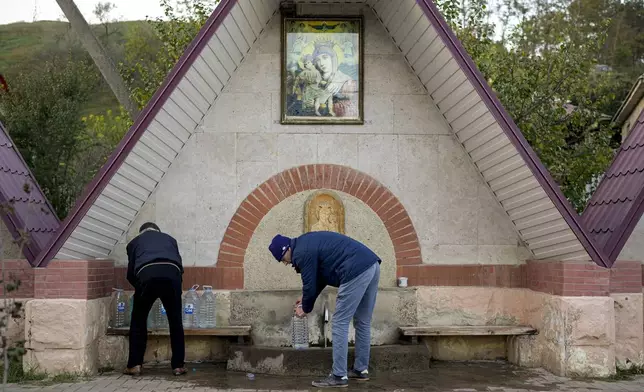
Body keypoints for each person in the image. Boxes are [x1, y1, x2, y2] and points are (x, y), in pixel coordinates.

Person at [268, 231, 381, 388]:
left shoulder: (301, 253)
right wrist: (306, 298)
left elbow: (309, 284)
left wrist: (305, 308)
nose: (286, 263)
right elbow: (319, 279)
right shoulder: (306, 244)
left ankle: (339, 376)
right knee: (363, 322)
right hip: (371, 265)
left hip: (355, 270)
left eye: (282, 260)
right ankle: (360, 370)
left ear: (286, 250)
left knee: (339, 323)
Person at [123, 222, 186, 376]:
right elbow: (179, 267)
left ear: (141, 232)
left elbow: (130, 274)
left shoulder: (134, 242)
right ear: (158, 231)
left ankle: (135, 365)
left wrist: (141, 289)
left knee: (138, 320)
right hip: (172, 275)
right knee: (175, 321)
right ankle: (178, 366)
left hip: (146, 274)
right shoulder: (170, 239)